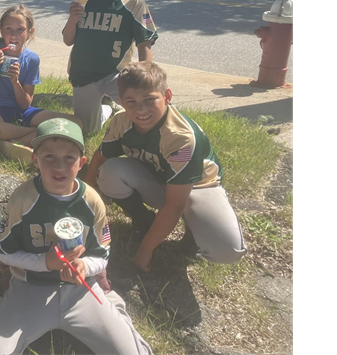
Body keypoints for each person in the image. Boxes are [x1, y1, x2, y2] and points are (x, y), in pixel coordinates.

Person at [0, 119, 152, 355]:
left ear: (81, 163)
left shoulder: (92, 201)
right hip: (31, 288)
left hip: (80, 289)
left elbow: (102, 255)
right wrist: (45, 263)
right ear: (35, 159)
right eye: (49, 156)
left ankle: (112, 305)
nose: (59, 166)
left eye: (69, 158)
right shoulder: (22, 199)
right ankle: (7, 304)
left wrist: (84, 265)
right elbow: (4, 252)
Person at [83, 62, 246, 272]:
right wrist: (85, 203)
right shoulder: (121, 122)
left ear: (167, 96)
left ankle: (193, 232)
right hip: (158, 177)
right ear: (121, 101)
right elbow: (99, 158)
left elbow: (175, 204)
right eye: (131, 102)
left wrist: (145, 251)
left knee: (227, 250)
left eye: (150, 100)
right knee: (108, 172)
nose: (140, 110)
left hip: (197, 187)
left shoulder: (181, 138)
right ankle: (143, 221)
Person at [62, 0, 158, 134]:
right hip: (83, 75)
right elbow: (68, 40)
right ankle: (107, 109)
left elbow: (144, 43)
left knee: (143, 106)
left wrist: (145, 76)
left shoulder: (134, 3)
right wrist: (73, 19)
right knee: (88, 130)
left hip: (115, 73)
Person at [0, 4, 81, 163]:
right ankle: (34, 134)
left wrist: (15, 82)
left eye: (20, 30)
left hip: (19, 111)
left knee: (75, 123)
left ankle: (9, 142)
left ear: (30, 33)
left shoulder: (31, 59)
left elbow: (25, 104)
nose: (13, 34)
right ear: (1, 30)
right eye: (8, 29)